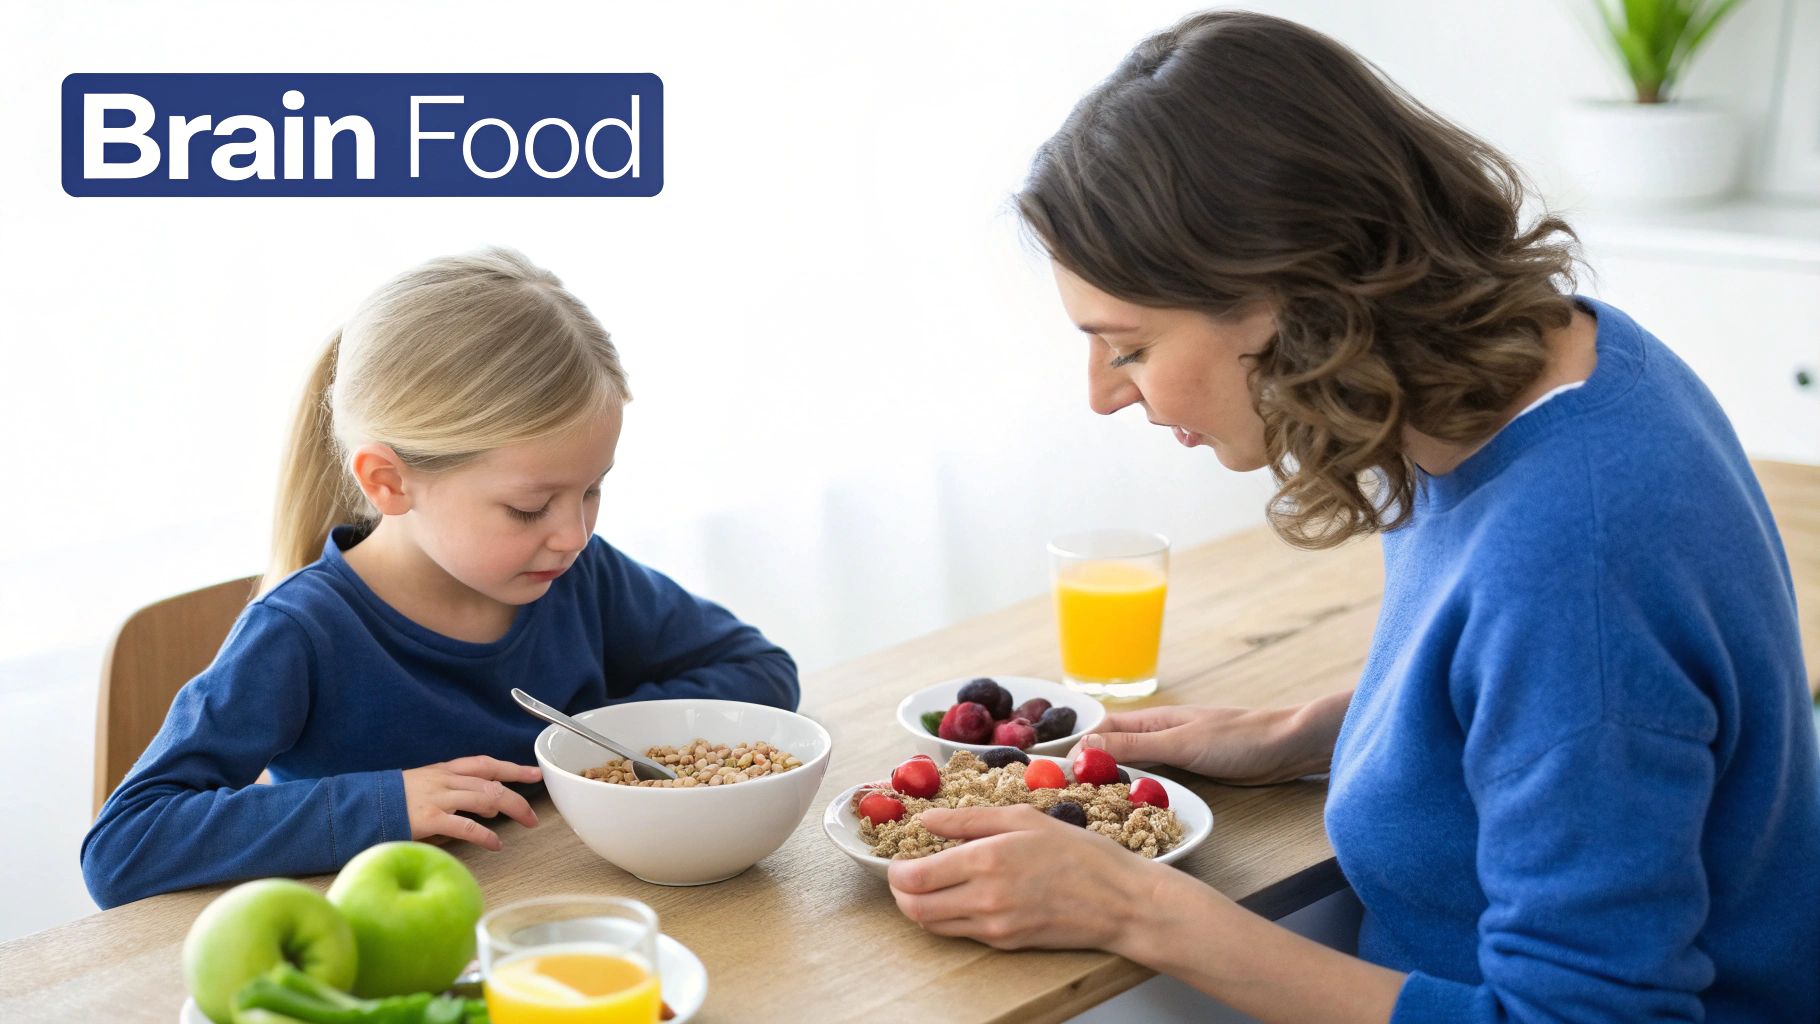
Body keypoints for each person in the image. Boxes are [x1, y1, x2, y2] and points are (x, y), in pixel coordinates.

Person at [885, 11, 1820, 1022]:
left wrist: (1137, 911)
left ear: (1288, 297)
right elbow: (1564, 714)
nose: (1104, 396)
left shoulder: (1570, 558)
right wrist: (1323, 725)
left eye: (1128, 347)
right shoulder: (1560, 363)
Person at [82, 247, 799, 909]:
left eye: (592, 490)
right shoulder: (301, 633)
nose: (575, 534)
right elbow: (125, 846)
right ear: (390, 482)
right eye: (528, 507)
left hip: (576, 909)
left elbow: (759, 669)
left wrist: (582, 746)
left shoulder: (580, 574)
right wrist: (387, 804)